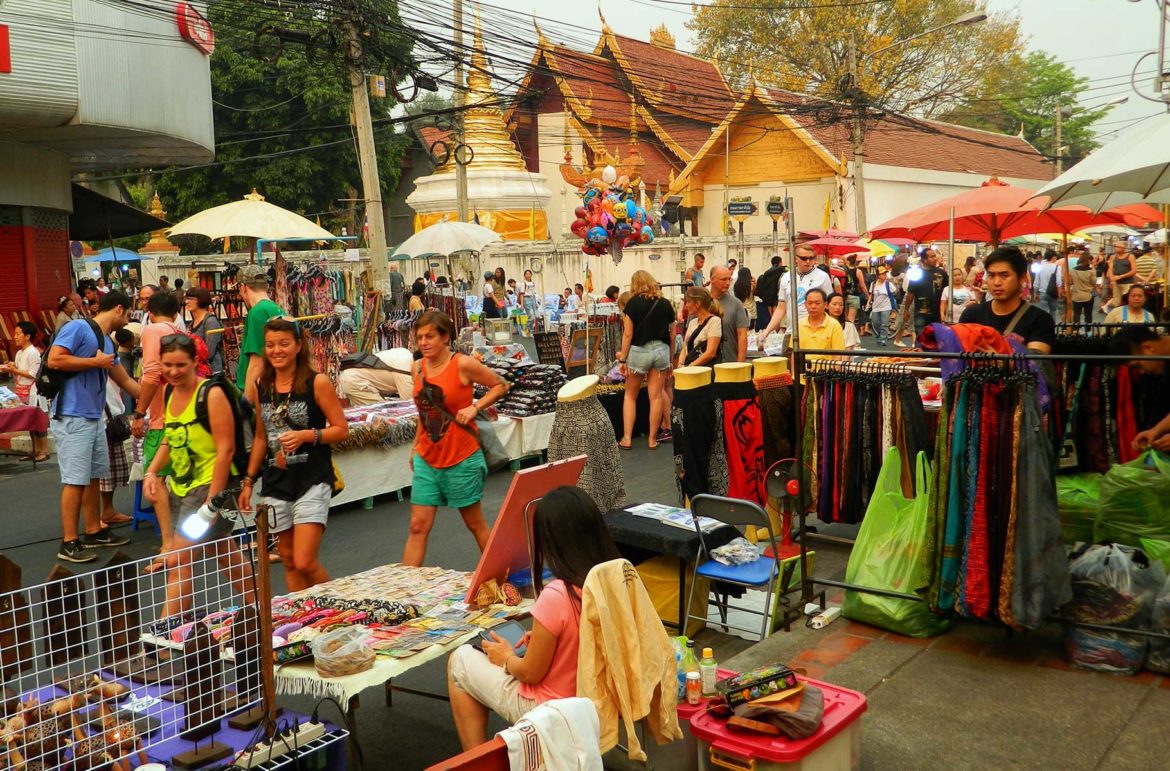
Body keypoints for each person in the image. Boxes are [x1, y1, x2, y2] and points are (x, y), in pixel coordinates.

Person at [447, 486, 621, 750]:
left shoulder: (557, 593)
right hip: (599, 698)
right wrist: (547, 640)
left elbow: (530, 673)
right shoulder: (613, 577)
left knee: (460, 660)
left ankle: (477, 760)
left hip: (552, 709)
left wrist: (506, 658)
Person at [144, 334, 252, 616]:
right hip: (182, 484)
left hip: (210, 486)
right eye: (167, 365)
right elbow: (171, 437)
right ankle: (261, 604)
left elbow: (225, 449)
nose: (173, 371)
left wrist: (212, 502)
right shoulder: (168, 392)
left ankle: (165, 631)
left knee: (180, 557)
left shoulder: (211, 394)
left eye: (181, 365)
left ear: (195, 362)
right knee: (222, 550)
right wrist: (153, 471)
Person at [238, 318, 348, 591]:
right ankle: (302, 618)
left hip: (312, 478)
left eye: (284, 344)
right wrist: (249, 481)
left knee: (304, 561)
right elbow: (262, 437)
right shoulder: (261, 384)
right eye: (270, 345)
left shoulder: (317, 382)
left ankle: (341, 605)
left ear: (299, 346)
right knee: (288, 559)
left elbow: (341, 429)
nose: (277, 350)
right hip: (276, 481)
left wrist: (307, 435)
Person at [405, 311, 509, 566]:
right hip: (427, 457)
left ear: (446, 337)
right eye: (419, 337)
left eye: (430, 336)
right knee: (418, 526)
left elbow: (501, 385)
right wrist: (415, 447)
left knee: (474, 523)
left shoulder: (462, 364)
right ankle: (403, 594)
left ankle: (499, 576)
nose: (423, 342)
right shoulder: (417, 368)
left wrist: (475, 407)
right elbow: (424, 411)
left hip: (461, 457)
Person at [48, 291, 138, 563]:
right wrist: (94, 362)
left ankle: (93, 529)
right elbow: (55, 359)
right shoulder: (78, 327)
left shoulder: (107, 342)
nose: (131, 318)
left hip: (93, 415)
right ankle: (69, 541)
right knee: (75, 479)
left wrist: (162, 393)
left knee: (94, 475)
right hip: (72, 415)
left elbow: (126, 381)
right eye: (130, 312)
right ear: (120, 309)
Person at [130, 290, 186, 556]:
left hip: (161, 417)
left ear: (149, 311)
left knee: (156, 478)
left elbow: (152, 374)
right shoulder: (178, 330)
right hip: (180, 413)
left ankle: (168, 541)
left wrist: (139, 413)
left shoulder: (152, 330)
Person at [958, 245, 1056, 354]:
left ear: (1022, 278)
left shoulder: (1040, 320)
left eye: (1004, 275)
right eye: (991, 276)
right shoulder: (970, 315)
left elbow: (1037, 363)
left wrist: (1000, 360)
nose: (997, 283)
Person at [617, 271, 675, 450]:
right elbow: (672, 334)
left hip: (639, 352)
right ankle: (652, 439)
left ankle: (627, 438)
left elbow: (628, 334)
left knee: (630, 395)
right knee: (656, 397)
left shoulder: (633, 304)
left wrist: (623, 359)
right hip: (661, 351)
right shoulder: (665, 304)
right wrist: (670, 359)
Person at [762, 243, 835, 337]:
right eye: (804, 258)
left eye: (811, 258)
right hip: (791, 331)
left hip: (816, 332)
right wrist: (767, 331)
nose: (808, 261)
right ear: (796, 259)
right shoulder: (786, 277)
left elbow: (830, 306)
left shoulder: (823, 277)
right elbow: (781, 308)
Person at [236, 265, 284, 402]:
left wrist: (247, 401)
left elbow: (257, 361)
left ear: (243, 287)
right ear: (267, 287)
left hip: (259, 393)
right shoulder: (277, 309)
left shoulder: (257, 313)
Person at [4, 321, 49, 461]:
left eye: (18, 334)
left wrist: (14, 369)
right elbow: (19, 369)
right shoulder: (19, 353)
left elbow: (32, 374)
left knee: (38, 421)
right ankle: (35, 450)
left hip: (34, 392)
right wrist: (12, 366)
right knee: (30, 421)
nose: (15, 336)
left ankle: (44, 450)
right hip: (22, 391)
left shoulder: (33, 352)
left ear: (27, 336)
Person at [796, 289, 844, 376]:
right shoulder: (799, 324)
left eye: (817, 303)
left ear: (825, 305)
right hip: (803, 377)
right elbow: (794, 353)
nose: (813, 306)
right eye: (810, 303)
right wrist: (794, 375)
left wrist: (834, 376)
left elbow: (838, 355)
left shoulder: (834, 325)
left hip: (825, 377)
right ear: (805, 305)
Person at [709, 266, 748, 363]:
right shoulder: (701, 302)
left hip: (729, 363)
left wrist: (740, 365)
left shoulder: (736, 304)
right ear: (712, 279)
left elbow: (742, 336)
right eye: (723, 279)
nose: (727, 283)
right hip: (703, 367)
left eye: (729, 279)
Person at [907, 248, 949, 336]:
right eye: (932, 257)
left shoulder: (942, 273)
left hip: (938, 313)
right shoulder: (916, 274)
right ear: (925, 260)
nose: (935, 258)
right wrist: (906, 310)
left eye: (935, 256)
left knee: (937, 338)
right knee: (921, 337)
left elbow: (947, 291)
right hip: (921, 313)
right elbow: (910, 293)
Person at [678, 287, 723, 367]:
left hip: (704, 371)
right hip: (689, 368)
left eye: (688, 302)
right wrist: (680, 364)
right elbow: (685, 348)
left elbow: (711, 352)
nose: (686, 305)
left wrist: (690, 367)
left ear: (697, 304)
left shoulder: (714, 321)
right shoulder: (692, 323)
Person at [186, 288, 224, 375]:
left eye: (191, 299)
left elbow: (209, 352)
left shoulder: (210, 321)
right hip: (198, 370)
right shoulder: (192, 323)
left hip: (212, 371)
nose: (187, 302)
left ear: (201, 300)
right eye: (186, 299)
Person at [1103, 242, 1137, 314]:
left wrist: (1121, 276)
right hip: (1116, 283)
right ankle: (1116, 315)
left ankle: (1130, 314)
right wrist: (1112, 279)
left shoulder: (1130, 256)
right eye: (1115, 246)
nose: (1115, 248)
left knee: (1129, 300)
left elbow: (1134, 270)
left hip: (1128, 282)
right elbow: (1110, 269)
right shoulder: (1113, 257)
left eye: (1117, 247)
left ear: (1123, 248)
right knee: (1116, 301)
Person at [868, 266, 897, 346]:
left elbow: (895, 291)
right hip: (876, 307)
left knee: (884, 323)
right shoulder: (873, 284)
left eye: (885, 273)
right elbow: (871, 295)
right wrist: (868, 303)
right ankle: (881, 335)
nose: (884, 275)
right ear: (878, 275)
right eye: (882, 274)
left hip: (886, 306)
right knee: (875, 322)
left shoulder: (888, 284)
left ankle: (883, 339)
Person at [755, 255, 785, 327]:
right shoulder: (782, 271)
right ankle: (777, 330)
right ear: (780, 262)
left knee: (772, 316)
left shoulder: (766, 273)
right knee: (777, 315)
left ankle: (773, 329)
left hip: (767, 298)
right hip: (777, 297)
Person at [1034, 249, 1064, 320]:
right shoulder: (1057, 267)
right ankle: (1052, 328)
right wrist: (1059, 292)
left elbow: (1036, 282)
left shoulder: (1040, 266)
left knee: (1044, 313)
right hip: (1053, 293)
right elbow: (1059, 281)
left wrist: (1035, 294)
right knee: (1053, 312)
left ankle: (1045, 329)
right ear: (1053, 257)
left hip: (1042, 293)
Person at [1069, 252, 1097, 329]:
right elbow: (1094, 282)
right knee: (1088, 314)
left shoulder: (1072, 271)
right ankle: (1088, 331)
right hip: (1088, 296)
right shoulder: (1091, 271)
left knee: (1076, 314)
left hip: (1076, 296)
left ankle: (1076, 331)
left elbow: (1070, 282)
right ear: (1088, 261)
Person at [841, 255, 870, 326]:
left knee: (845, 319)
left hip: (843, 296)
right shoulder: (858, 271)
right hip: (854, 296)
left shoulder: (842, 270)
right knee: (851, 320)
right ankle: (850, 336)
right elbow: (862, 286)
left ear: (847, 261)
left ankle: (845, 336)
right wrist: (868, 296)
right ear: (855, 262)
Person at [520, 269, 540, 334]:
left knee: (534, 315)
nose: (528, 275)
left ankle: (529, 331)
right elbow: (522, 294)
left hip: (532, 298)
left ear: (531, 275)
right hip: (526, 299)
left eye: (529, 274)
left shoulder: (533, 283)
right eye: (526, 274)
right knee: (531, 315)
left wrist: (536, 302)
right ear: (524, 275)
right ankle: (526, 329)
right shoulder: (523, 283)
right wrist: (522, 305)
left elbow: (533, 293)